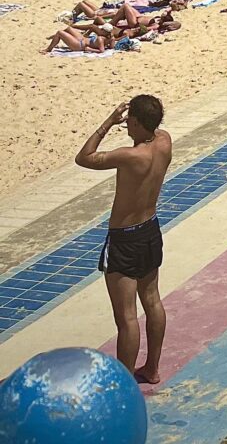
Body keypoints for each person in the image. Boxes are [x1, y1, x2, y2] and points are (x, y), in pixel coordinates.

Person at [75, 96, 172, 385]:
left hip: (125, 239)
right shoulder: (164, 141)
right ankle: (152, 368)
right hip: (150, 230)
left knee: (127, 317)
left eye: (129, 120)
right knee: (152, 300)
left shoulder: (130, 157)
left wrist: (107, 122)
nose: (125, 124)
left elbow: (84, 157)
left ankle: (125, 385)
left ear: (139, 123)